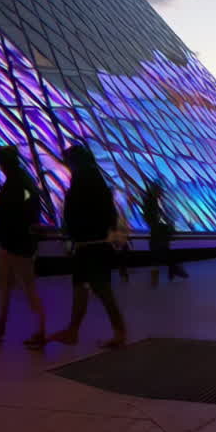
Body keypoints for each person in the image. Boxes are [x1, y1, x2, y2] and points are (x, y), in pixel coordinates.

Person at [49, 145, 126, 349]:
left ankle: (119, 331)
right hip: (92, 244)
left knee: (100, 289)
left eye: (68, 162)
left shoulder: (84, 182)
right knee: (81, 287)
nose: (67, 166)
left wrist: (73, 231)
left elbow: (77, 213)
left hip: (91, 245)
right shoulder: (95, 181)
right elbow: (109, 214)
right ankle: (73, 330)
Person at [0, 146, 46, 348]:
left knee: (12, 287)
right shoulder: (24, 182)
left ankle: (34, 330)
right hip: (19, 242)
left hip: (12, 242)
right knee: (23, 287)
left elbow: (9, 213)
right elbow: (30, 210)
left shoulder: (15, 184)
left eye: (0, 162)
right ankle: (4, 326)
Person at [142, 181, 188, 285]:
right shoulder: (151, 201)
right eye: (160, 191)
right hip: (158, 231)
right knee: (160, 252)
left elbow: (153, 217)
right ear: (155, 191)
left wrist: (167, 225)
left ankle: (169, 271)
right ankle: (172, 270)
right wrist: (167, 226)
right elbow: (152, 218)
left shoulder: (152, 201)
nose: (161, 193)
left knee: (160, 252)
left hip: (158, 231)